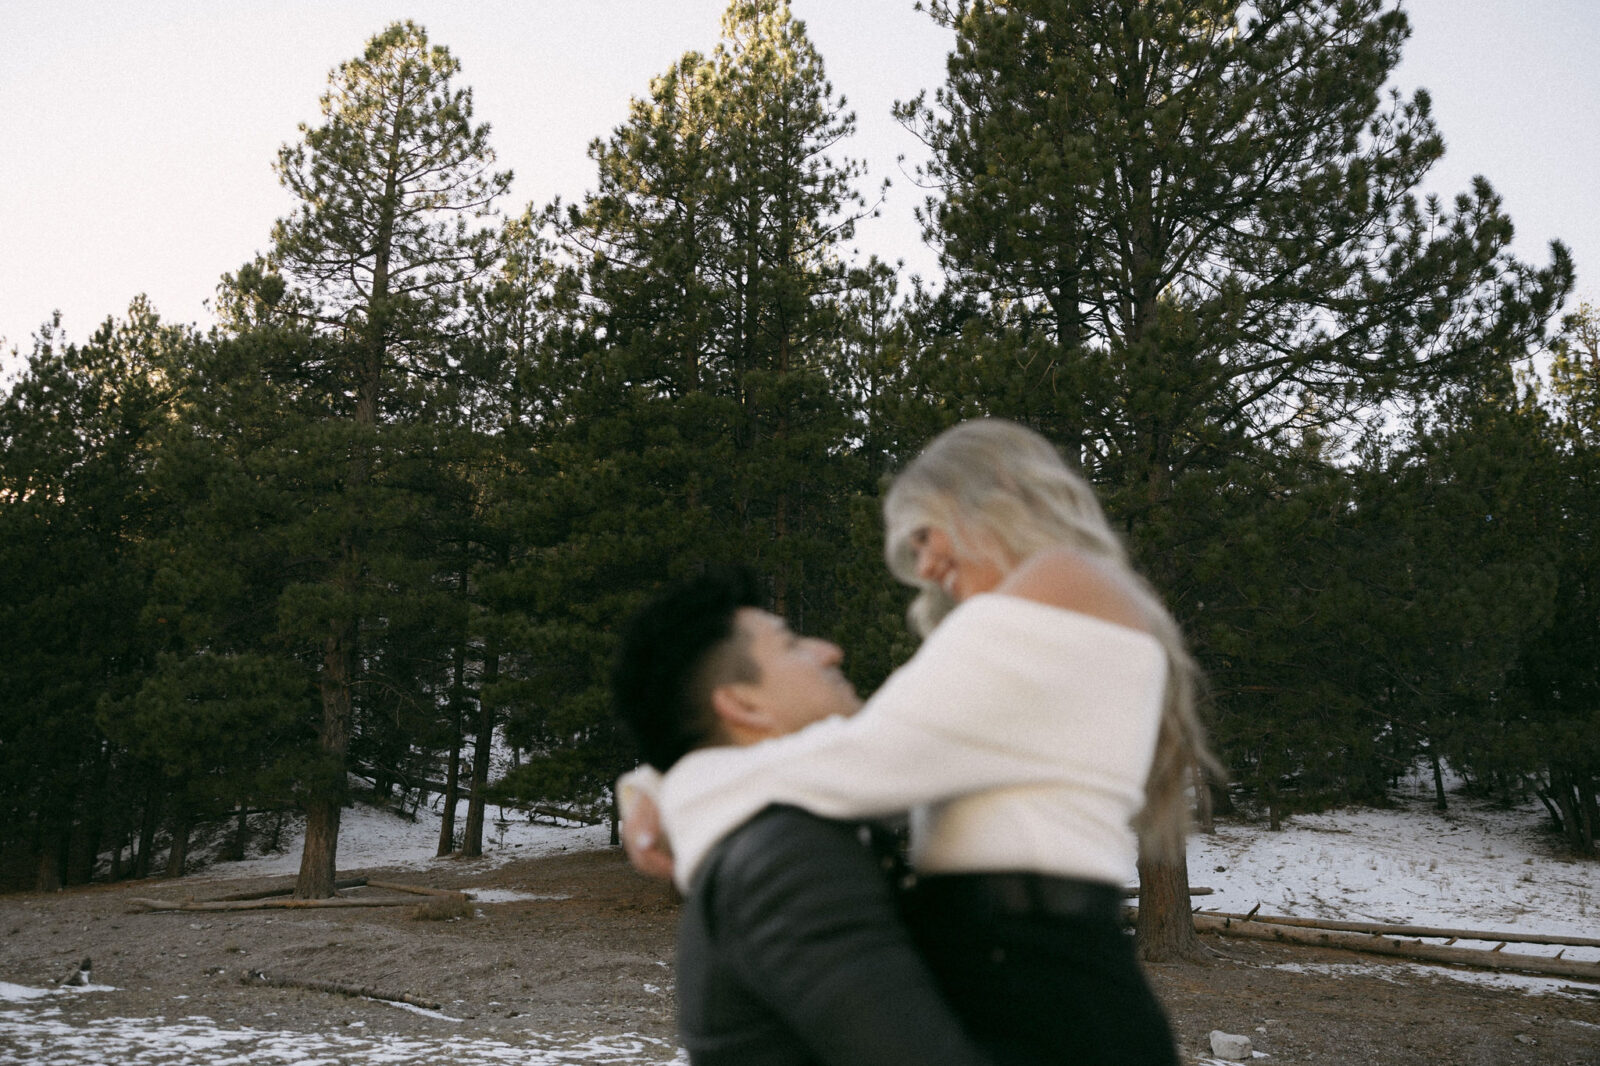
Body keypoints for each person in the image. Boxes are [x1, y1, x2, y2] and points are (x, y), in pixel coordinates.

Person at [626, 419, 1216, 1066]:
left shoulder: (1054, 586)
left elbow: (859, 760)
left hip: (1043, 998)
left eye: (927, 535)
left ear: (995, 493)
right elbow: (866, 751)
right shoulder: (1070, 611)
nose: (927, 568)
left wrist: (674, 787)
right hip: (1045, 983)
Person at [610, 566, 993, 1066]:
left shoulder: (761, 836)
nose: (829, 651)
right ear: (743, 705)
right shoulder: (787, 861)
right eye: (791, 645)